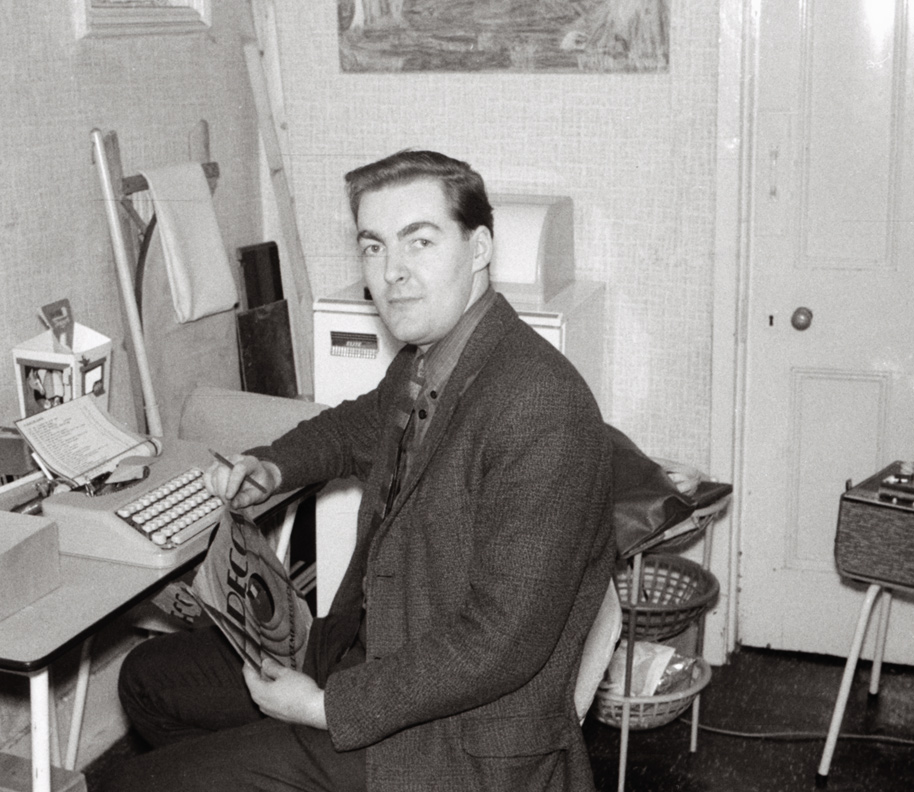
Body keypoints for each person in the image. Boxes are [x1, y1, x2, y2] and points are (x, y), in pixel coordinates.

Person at [106, 150, 615, 792]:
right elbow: (358, 427)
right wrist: (272, 466)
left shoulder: (542, 407)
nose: (392, 273)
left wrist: (321, 709)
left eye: (419, 242)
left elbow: (499, 642)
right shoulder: (432, 357)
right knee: (147, 680)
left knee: (136, 784)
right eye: (373, 248)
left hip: (453, 740)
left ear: (479, 246)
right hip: (373, 647)